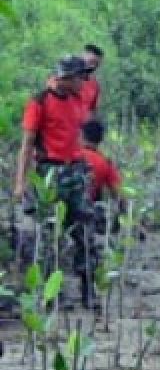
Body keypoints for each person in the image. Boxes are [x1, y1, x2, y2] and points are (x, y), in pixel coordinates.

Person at [15, 56, 93, 299]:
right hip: (51, 172)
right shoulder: (39, 102)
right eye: (81, 76)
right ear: (65, 78)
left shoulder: (77, 98)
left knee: (84, 230)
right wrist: (21, 183)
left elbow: (77, 130)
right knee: (51, 234)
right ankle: (53, 293)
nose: (85, 81)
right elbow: (27, 145)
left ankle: (87, 288)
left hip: (76, 171)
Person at [79, 119, 124, 230]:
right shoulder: (105, 162)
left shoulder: (73, 154)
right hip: (89, 210)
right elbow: (118, 195)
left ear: (82, 136)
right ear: (101, 140)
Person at [80, 44, 104, 118]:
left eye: (96, 64)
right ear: (82, 56)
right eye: (91, 62)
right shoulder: (64, 77)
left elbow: (93, 110)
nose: (93, 66)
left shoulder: (95, 86)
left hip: (82, 126)